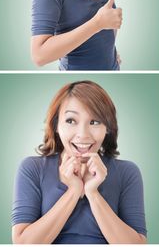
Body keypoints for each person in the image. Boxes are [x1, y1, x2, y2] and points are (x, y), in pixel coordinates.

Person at [12, 81, 147, 244]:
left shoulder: (127, 172)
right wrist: (74, 191)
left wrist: (92, 193)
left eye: (95, 122)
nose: (82, 134)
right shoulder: (32, 168)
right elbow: (23, 243)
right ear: (56, 125)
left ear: (108, 127)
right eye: (71, 121)